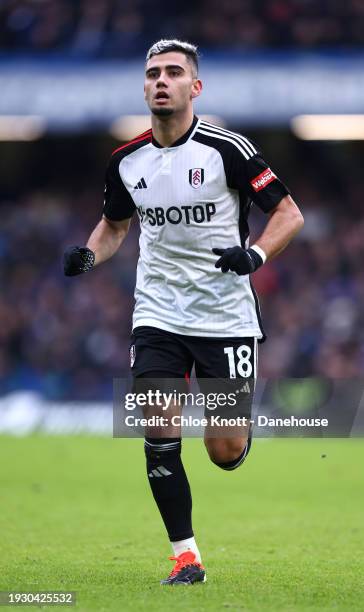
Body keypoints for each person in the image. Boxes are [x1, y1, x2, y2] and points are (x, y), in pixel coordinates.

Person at [63, 39, 304, 585]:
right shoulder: (126, 161)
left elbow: (289, 213)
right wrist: (88, 253)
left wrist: (256, 254)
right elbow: (115, 226)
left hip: (225, 316)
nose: (161, 81)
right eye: (153, 74)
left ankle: (235, 435)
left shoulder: (229, 150)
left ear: (194, 87)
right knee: (159, 429)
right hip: (157, 314)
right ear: (145, 87)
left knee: (223, 449)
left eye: (174, 73)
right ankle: (186, 556)